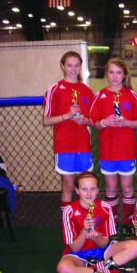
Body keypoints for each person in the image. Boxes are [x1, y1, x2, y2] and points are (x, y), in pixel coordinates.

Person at [57, 171, 137, 273]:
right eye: (84, 189)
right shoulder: (69, 211)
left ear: (98, 190)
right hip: (79, 255)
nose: (89, 193)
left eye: (93, 189)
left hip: (103, 252)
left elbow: (105, 244)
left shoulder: (105, 208)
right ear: (77, 190)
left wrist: (96, 238)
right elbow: (74, 248)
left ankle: (93, 271)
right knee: (63, 269)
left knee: (136, 247)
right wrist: (84, 231)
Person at [90, 58, 137, 227]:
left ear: (124, 75)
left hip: (126, 151)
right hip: (108, 151)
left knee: (127, 188)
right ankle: (111, 223)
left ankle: (127, 223)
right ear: (107, 74)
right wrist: (105, 122)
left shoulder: (132, 96)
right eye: (111, 72)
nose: (115, 76)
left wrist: (126, 122)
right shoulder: (100, 96)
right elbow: (94, 123)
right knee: (111, 188)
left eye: (118, 72)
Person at [43, 51, 94, 211]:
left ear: (80, 67)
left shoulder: (86, 90)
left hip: (83, 145)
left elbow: (92, 120)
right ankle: (67, 222)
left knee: (86, 186)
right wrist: (67, 115)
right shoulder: (55, 89)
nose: (73, 69)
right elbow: (46, 121)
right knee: (69, 186)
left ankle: (86, 220)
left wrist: (84, 120)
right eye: (69, 65)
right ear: (63, 66)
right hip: (65, 146)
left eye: (77, 65)